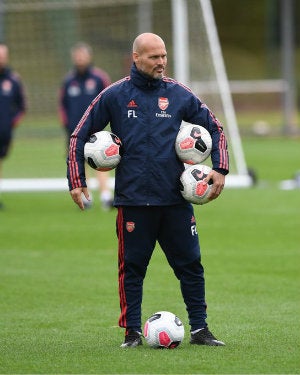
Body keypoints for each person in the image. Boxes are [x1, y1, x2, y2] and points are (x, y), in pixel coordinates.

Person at [67, 33, 229, 347]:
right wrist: (77, 180)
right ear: (136, 57)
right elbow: (79, 135)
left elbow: (215, 128)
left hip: (175, 199)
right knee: (132, 269)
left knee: (191, 265)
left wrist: (220, 168)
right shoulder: (114, 95)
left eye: (164, 56)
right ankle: (132, 333)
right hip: (133, 200)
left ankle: (200, 329)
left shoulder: (179, 94)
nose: (161, 62)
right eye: (154, 57)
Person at [59, 42, 113, 209]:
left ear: (89, 56)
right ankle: (86, 198)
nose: (80, 58)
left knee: (101, 160)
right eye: (77, 55)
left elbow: (110, 99)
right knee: (79, 163)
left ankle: (106, 196)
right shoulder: (68, 81)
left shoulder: (99, 78)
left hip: (96, 129)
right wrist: (67, 123)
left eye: (83, 55)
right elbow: (62, 105)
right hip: (74, 131)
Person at [0, 43, 26, 209]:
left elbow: (22, 106)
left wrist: (10, 123)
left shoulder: (13, 80)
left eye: (3, 55)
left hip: (4, 132)